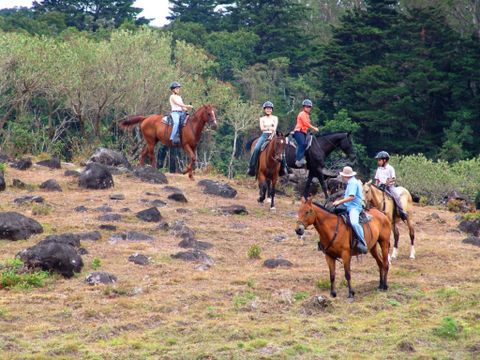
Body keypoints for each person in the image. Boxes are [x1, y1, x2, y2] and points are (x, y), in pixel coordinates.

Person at [332, 166, 368, 254]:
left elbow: (351, 197)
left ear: (346, 176)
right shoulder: (350, 182)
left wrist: (339, 202)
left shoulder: (352, 183)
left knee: (354, 223)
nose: (343, 178)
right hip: (348, 205)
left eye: (343, 176)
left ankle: (362, 242)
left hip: (354, 207)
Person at [247, 101, 287, 176]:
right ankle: (252, 167)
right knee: (256, 149)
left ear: (272, 109)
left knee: (281, 150)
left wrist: (268, 128)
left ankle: (284, 168)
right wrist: (270, 127)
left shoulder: (275, 118)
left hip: (274, 136)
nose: (268, 110)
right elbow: (262, 128)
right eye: (267, 108)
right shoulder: (262, 119)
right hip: (264, 135)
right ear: (264, 110)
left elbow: (274, 128)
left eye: (270, 108)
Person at [374, 151, 408, 220]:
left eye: (379, 160)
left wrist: (386, 183)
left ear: (385, 160)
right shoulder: (378, 169)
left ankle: (401, 211)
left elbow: (393, 178)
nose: (378, 162)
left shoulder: (390, 168)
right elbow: (377, 180)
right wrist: (375, 186)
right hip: (380, 187)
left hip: (389, 187)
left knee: (396, 196)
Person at [293, 99, 319, 167]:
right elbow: (306, 123)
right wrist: (314, 128)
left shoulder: (307, 115)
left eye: (309, 107)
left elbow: (306, 126)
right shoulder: (302, 114)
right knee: (303, 144)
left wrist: (310, 131)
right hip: (298, 131)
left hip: (304, 132)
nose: (308, 108)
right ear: (303, 107)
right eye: (306, 107)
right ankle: (298, 159)